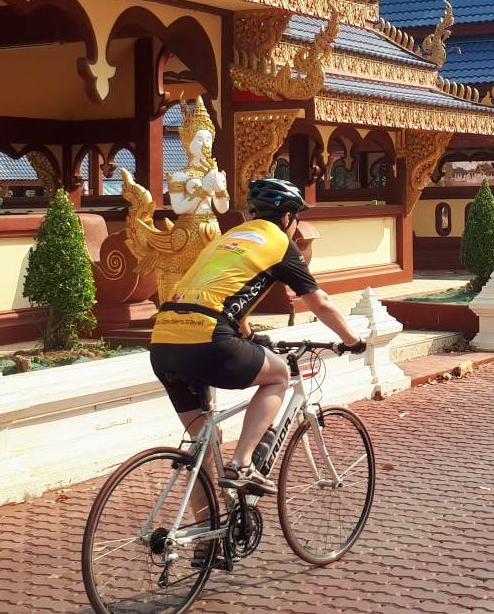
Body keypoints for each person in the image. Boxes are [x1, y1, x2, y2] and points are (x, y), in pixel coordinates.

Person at [147, 178, 365, 496]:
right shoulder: (279, 243)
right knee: (279, 374)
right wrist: (352, 340)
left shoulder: (228, 239)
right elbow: (320, 302)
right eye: (297, 220)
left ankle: (202, 541)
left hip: (163, 343)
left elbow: (222, 289)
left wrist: (247, 331)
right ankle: (243, 463)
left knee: (203, 447)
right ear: (288, 218)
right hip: (208, 341)